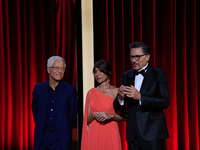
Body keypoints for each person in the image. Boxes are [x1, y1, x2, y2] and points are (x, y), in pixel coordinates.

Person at [114, 42, 169, 150]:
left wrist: (140, 97)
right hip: (133, 133)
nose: (134, 60)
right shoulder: (126, 76)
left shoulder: (158, 74)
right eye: (132, 57)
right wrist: (120, 98)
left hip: (153, 132)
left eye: (137, 57)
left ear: (147, 57)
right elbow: (117, 107)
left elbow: (164, 101)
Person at [32, 56, 78, 150]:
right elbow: (36, 111)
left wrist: (65, 129)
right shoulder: (38, 89)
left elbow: (72, 116)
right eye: (57, 68)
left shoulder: (70, 90)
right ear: (48, 70)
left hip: (60, 137)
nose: (60, 71)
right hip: (42, 136)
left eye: (62, 69)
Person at [81, 59, 125, 150]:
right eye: (96, 71)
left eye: (101, 71)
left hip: (110, 131)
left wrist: (111, 115)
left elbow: (125, 117)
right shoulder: (90, 93)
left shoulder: (117, 91)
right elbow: (87, 120)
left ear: (108, 72)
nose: (98, 74)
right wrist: (93, 115)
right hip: (94, 133)